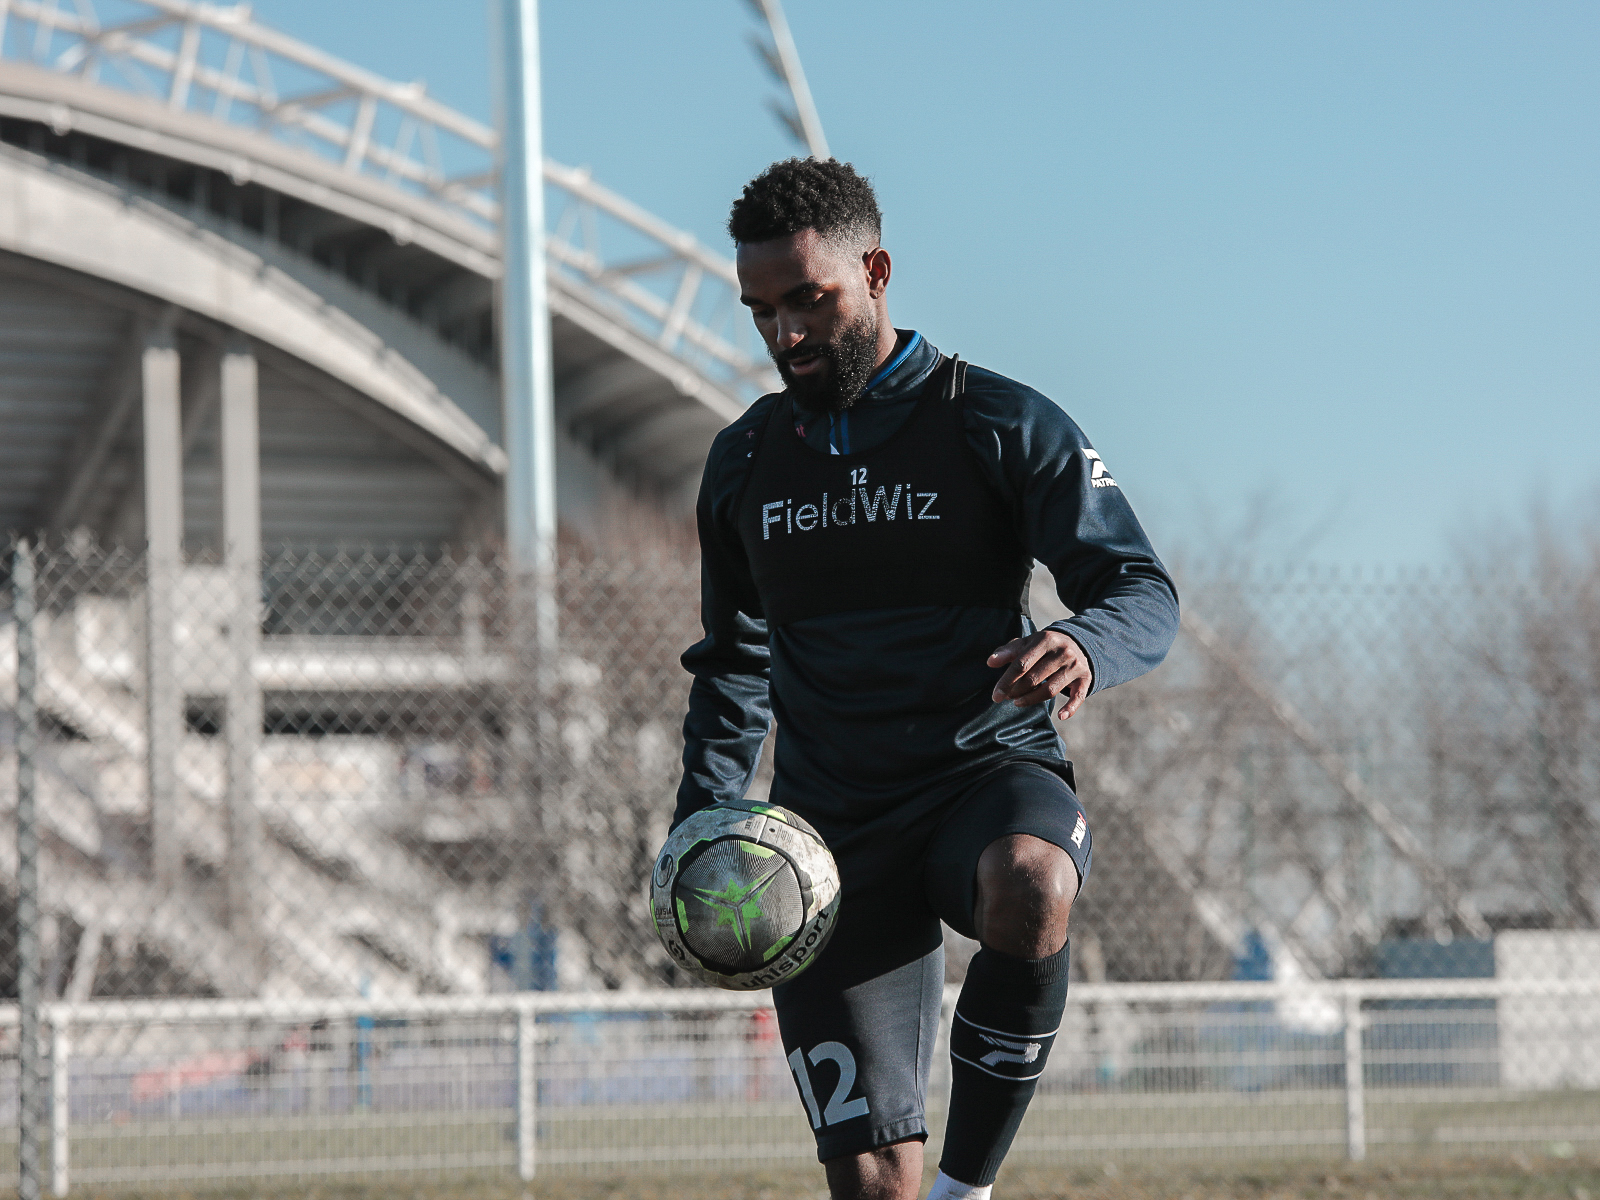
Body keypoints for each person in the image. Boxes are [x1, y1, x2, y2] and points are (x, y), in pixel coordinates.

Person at [674, 158, 1178, 1200]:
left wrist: (1085, 642)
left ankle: (970, 1187)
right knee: (871, 1183)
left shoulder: (995, 423)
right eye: (762, 311)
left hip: (981, 783)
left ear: (877, 270)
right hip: (824, 836)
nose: (787, 335)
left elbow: (1140, 589)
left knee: (1032, 883)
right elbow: (732, 662)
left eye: (810, 298)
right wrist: (703, 825)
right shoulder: (745, 462)